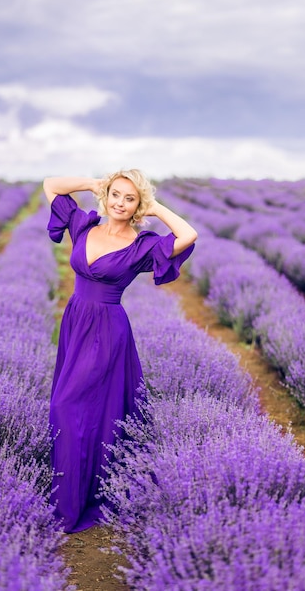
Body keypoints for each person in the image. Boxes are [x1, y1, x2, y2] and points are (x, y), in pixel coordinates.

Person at [43, 169, 197, 533]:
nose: (120, 203)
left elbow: (188, 235)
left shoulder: (141, 245)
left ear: (137, 204)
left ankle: (70, 506)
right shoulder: (84, 225)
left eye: (130, 199)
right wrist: (91, 184)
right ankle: (77, 489)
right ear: (107, 195)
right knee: (82, 408)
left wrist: (156, 208)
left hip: (107, 332)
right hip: (76, 323)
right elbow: (50, 185)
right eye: (115, 195)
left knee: (66, 406)